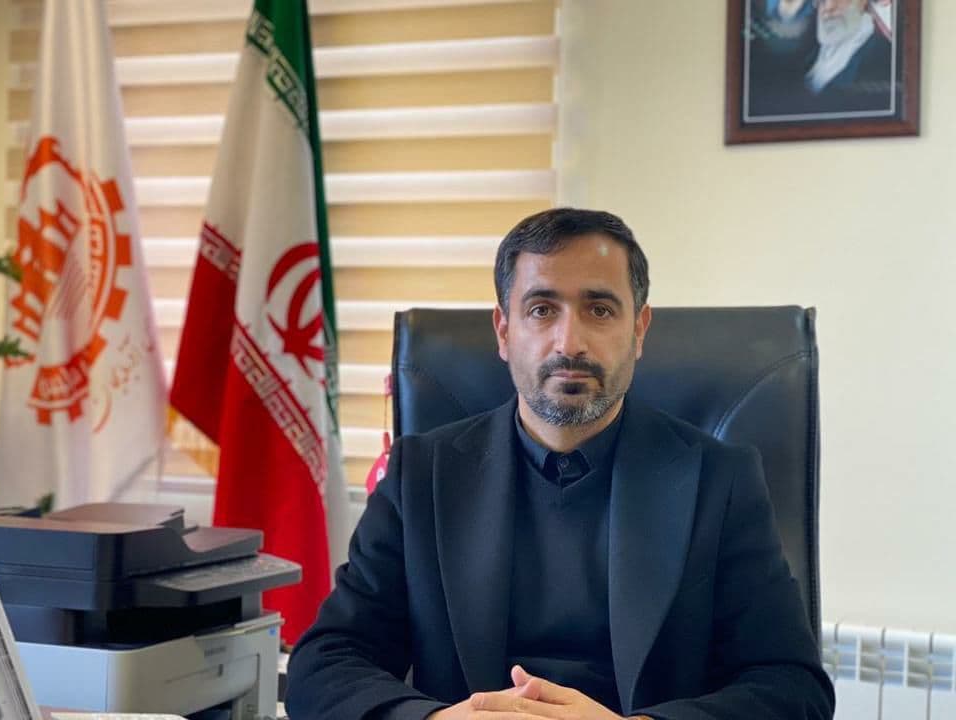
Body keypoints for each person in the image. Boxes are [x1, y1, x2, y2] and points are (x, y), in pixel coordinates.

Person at [285, 208, 835, 720]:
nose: (569, 343)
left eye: (600, 310)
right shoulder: (421, 475)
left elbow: (793, 686)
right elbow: (324, 662)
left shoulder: (720, 480)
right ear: (504, 331)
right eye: (542, 309)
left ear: (639, 330)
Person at [804, 0, 893, 112]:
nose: (828, 9)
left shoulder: (884, 62)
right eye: (822, 1)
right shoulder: (805, 52)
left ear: (863, 3)